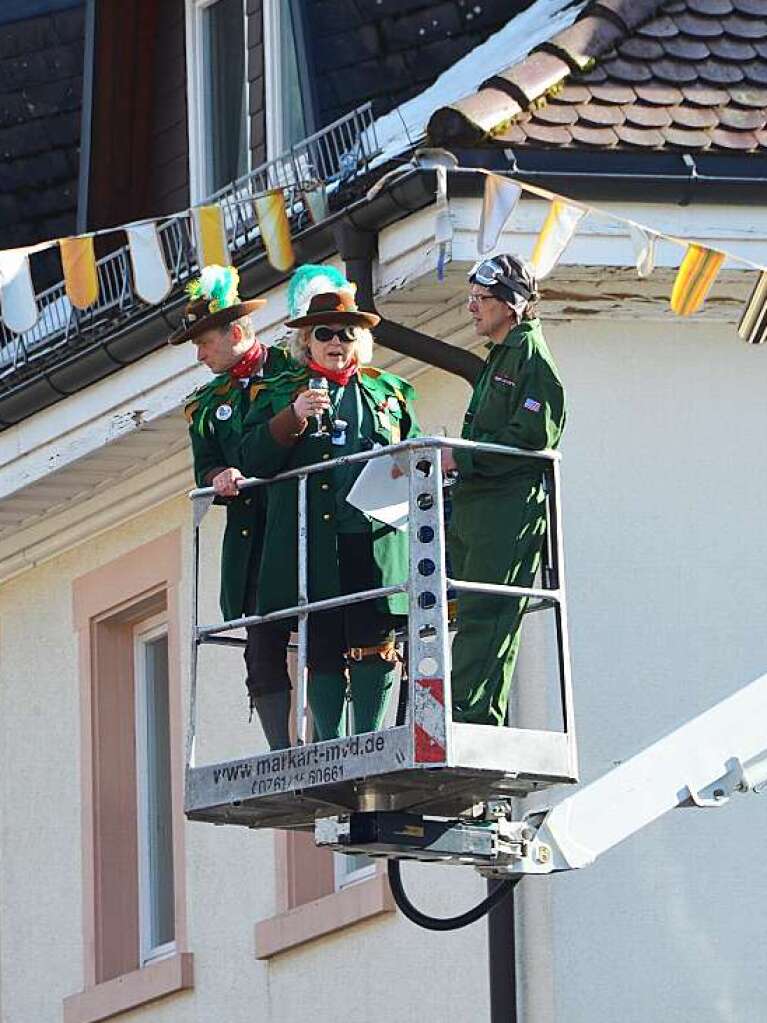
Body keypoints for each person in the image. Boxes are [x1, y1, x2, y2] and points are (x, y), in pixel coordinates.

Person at [241, 264, 420, 741]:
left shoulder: (390, 392)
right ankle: (331, 743)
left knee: (375, 636)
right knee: (322, 641)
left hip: (376, 533)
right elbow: (253, 458)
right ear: (308, 342)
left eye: (347, 333)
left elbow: (415, 453)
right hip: (314, 537)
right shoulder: (280, 392)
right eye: (325, 334)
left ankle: (368, 736)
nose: (336, 342)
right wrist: (293, 417)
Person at [440, 254, 566, 726]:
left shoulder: (531, 358)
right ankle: (464, 711)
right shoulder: (503, 356)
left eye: (481, 299)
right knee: (472, 611)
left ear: (510, 305)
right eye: (470, 298)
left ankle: (472, 719)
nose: (471, 308)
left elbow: (533, 438)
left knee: (488, 615)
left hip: (507, 509)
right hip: (481, 507)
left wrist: (462, 456)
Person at [172, 264, 294, 749]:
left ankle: (333, 738)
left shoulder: (292, 369)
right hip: (253, 538)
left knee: (329, 633)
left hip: (300, 522)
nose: (199, 355)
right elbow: (204, 465)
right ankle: (281, 750)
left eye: (205, 343)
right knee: (261, 647)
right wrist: (215, 477)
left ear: (238, 332)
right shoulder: (205, 404)